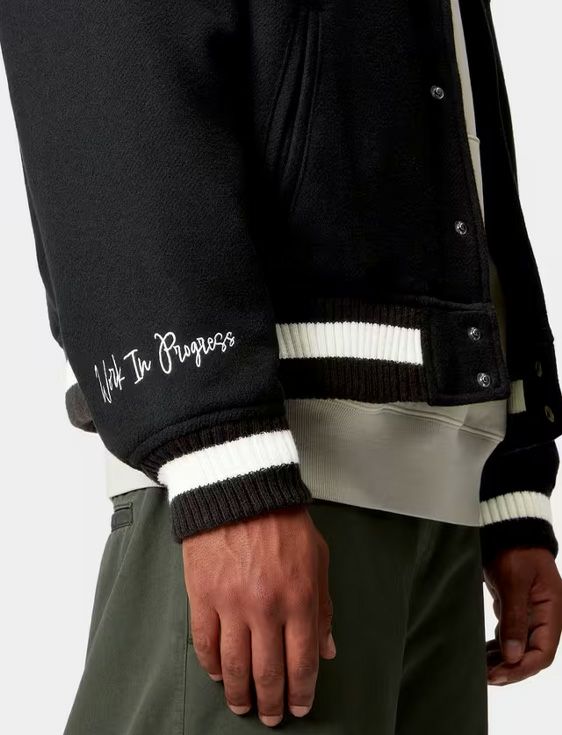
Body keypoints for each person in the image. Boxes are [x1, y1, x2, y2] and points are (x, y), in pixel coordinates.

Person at [1, 0, 562, 733]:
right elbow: (102, 56)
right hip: (267, 482)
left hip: (443, 509)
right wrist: (222, 458)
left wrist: (506, 485)